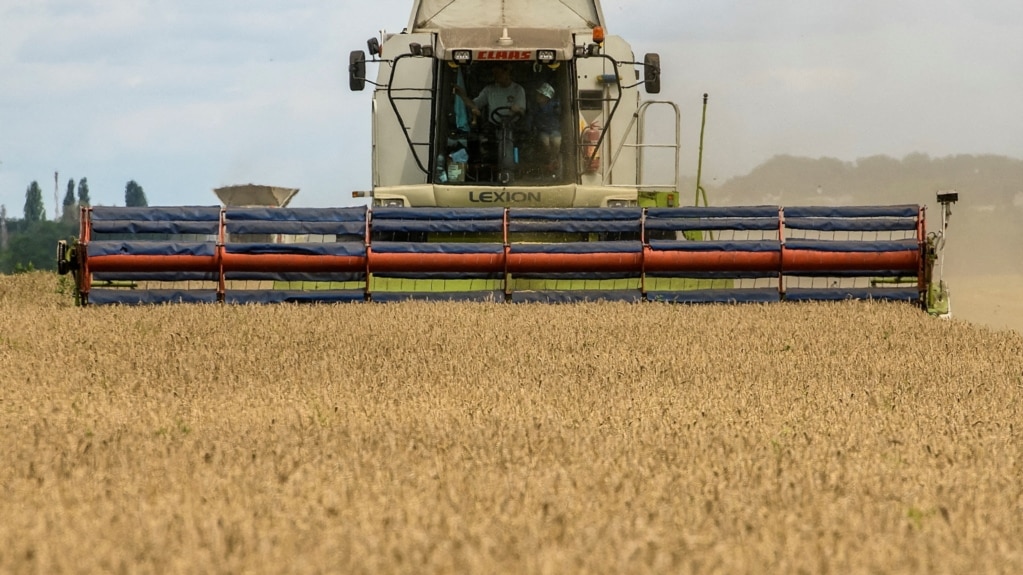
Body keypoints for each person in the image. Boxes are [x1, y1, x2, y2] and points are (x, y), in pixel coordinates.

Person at [454, 62, 526, 125]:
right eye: (494, 74)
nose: (496, 77)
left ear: (507, 72)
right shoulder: (489, 90)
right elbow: (475, 105)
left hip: (514, 127)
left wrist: (517, 110)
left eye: (498, 74)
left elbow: (522, 111)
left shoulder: (518, 90)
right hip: (493, 128)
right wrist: (462, 96)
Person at [530, 82, 562, 171]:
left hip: (554, 130)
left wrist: (558, 108)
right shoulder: (535, 107)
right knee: (545, 142)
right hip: (542, 130)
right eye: (538, 95)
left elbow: (559, 113)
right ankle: (549, 159)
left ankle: (554, 158)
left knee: (557, 142)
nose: (538, 97)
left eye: (541, 95)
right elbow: (531, 118)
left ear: (547, 98)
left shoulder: (554, 106)